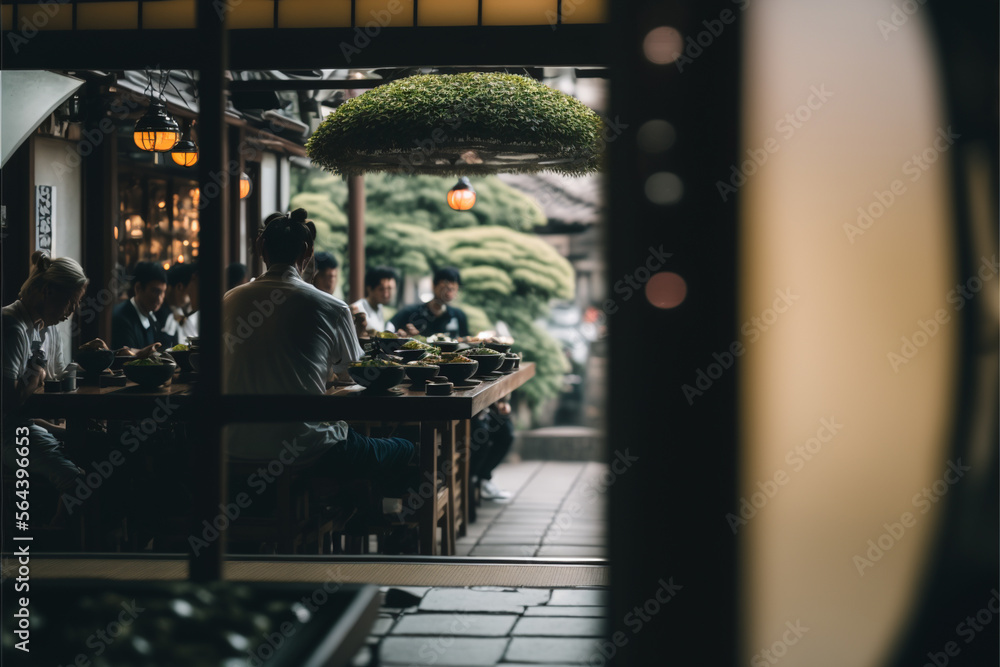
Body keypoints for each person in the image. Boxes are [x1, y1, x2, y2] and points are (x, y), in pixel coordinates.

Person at [223, 209, 414, 491]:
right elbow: (356, 374)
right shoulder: (331, 306)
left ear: (261, 247)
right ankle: (365, 512)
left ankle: (323, 510)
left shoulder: (229, 300)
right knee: (405, 448)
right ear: (307, 251)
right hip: (303, 448)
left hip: (230, 444)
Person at [2, 252, 86, 498]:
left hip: (29, 424)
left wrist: (90, 360)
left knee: (94, 445)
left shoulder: (45, 328)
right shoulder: (11, 326)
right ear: (48, 292)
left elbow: (56, 376)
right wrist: (36, 374)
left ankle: (61, 515)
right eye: (70, 302)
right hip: (8, 435)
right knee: (80, 481)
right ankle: (60, 522)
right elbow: (7, 402)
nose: (73, 311)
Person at [389, 267, 470, 338]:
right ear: (433, 286)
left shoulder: (459, 316)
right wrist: (401, 336)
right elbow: (388, 332)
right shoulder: (409, 313)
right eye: (445, 288)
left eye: (453, 289)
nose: (448, 293)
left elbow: (465, 340)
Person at [111, 261, 167, 350]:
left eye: (163, 292)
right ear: (138, 288)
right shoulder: (122, 320)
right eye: (155, 291)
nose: (160, 299)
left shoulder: (152, 317)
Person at [470, 399, 515, 501]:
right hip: (468, 416)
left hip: (483, 409)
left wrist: (503, 403)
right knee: (481, 434)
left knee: (506, 431)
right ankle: (473, 479)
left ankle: (484, 478)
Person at [156, 262, 199, 348]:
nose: (191, 299)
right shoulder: (158, 313)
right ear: (180, 287)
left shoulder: (180, 311)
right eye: (189, 293)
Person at [351, 266, 399, 333]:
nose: (386, 294)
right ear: (370, 289)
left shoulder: (379, 307)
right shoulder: (357, 309)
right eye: (381, 289)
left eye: (390, 289)